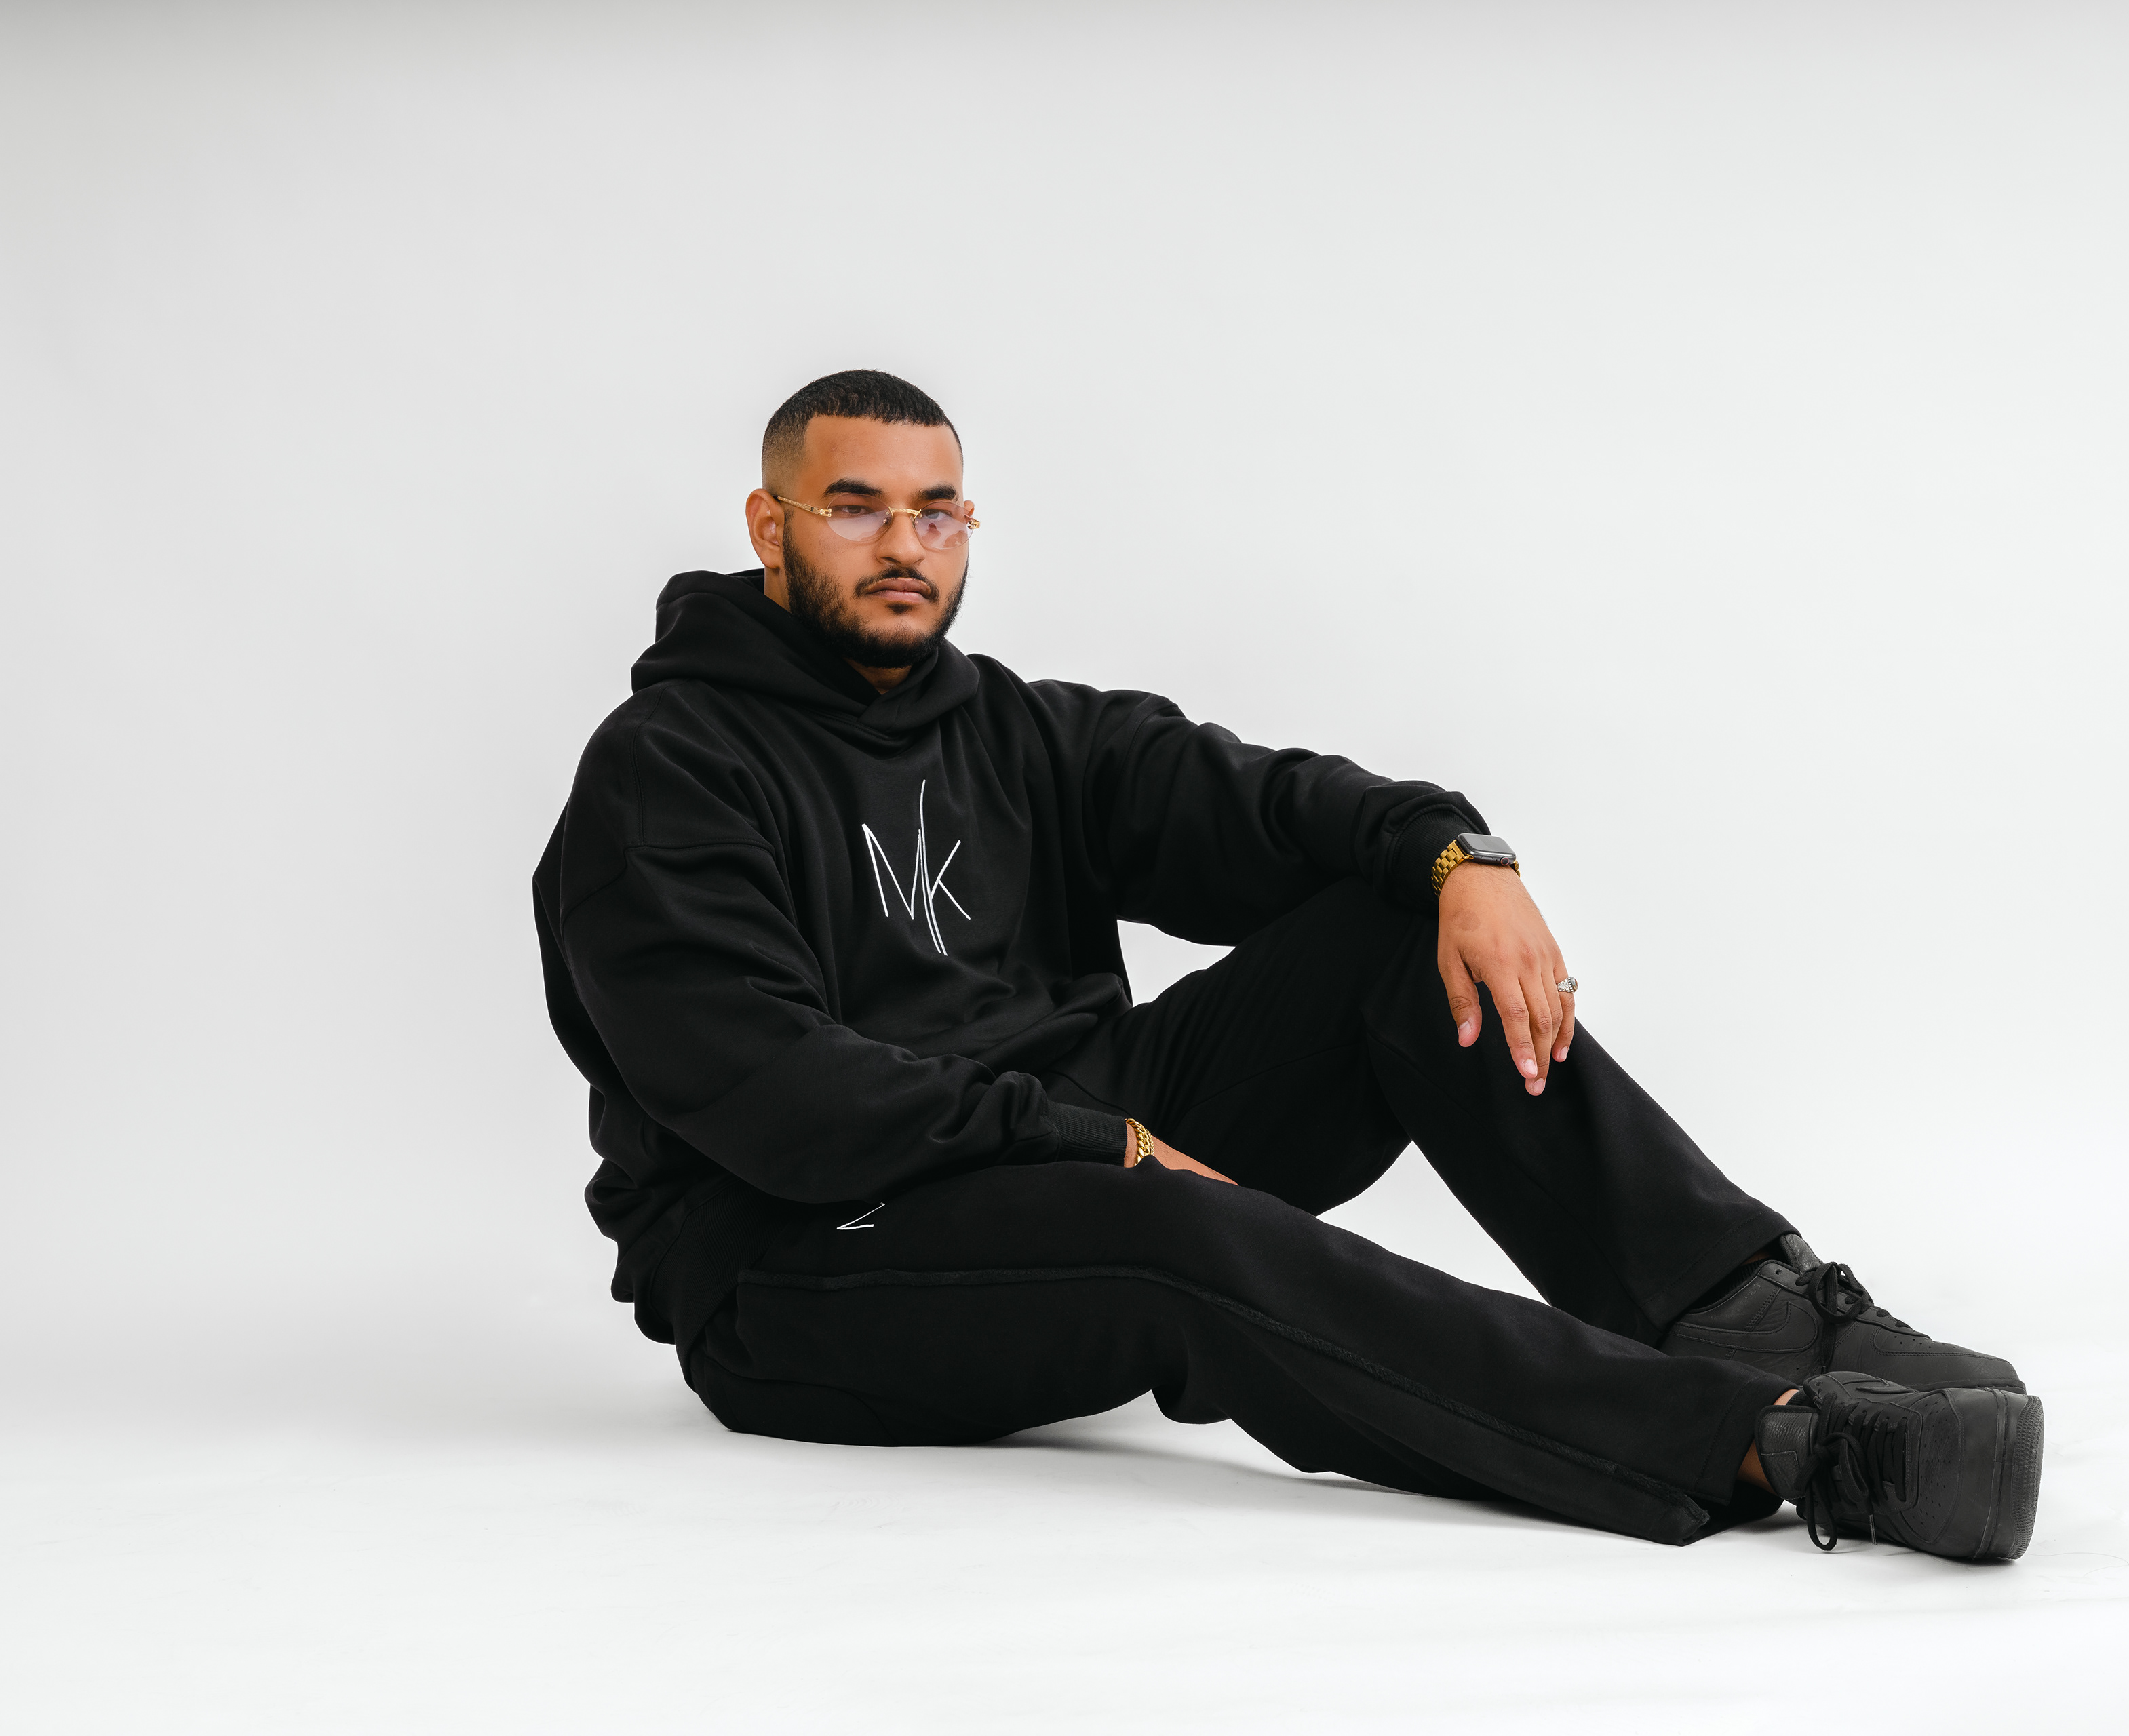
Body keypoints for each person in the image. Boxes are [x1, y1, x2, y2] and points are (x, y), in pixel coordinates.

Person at [532, 370, 2045, 1560]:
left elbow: (1261, 804)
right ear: (770, 524)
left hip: (1062, 1149)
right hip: (798, 1265)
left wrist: (1461, 858)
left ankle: (1746, 1310)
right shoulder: (669, 771)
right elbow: (779, 1098)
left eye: (938, 513)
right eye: (856, 508)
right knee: (1169, 1229)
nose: (904, 547)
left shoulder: (1016, 729)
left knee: (1395, 940)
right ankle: (1769, 1442)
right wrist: (1098, 1144)